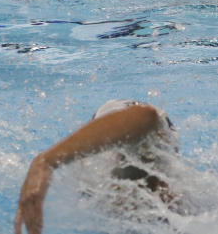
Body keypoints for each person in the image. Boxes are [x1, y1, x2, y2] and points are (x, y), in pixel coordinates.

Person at [14, 100, 181, 234]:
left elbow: (145, 117)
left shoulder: (187, 208)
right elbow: (144, 119)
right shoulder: (93, 189)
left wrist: (45, 162)